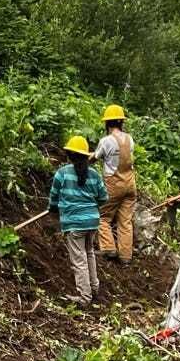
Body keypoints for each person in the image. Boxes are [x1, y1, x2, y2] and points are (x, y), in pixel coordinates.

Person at [49, 135, 108, 304]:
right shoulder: (94, 175)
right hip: (92, 222)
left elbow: (53, 198)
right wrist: (90, 204)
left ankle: (84, 296)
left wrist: (53, 208)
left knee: (79, 259)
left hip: (74, 223)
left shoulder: (62, 174)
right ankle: (94, 288)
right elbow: (103, 198)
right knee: (89, 254)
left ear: (69, 155)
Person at [94, 103, 138, 265]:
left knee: (103, 216)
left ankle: (108, 249)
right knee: (125, 221)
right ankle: (126, 257)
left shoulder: (106, 141)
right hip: (130, 184)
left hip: (114, 184)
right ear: (121, 122)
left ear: (107, 123)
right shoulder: (129, 139)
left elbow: (95, 157)